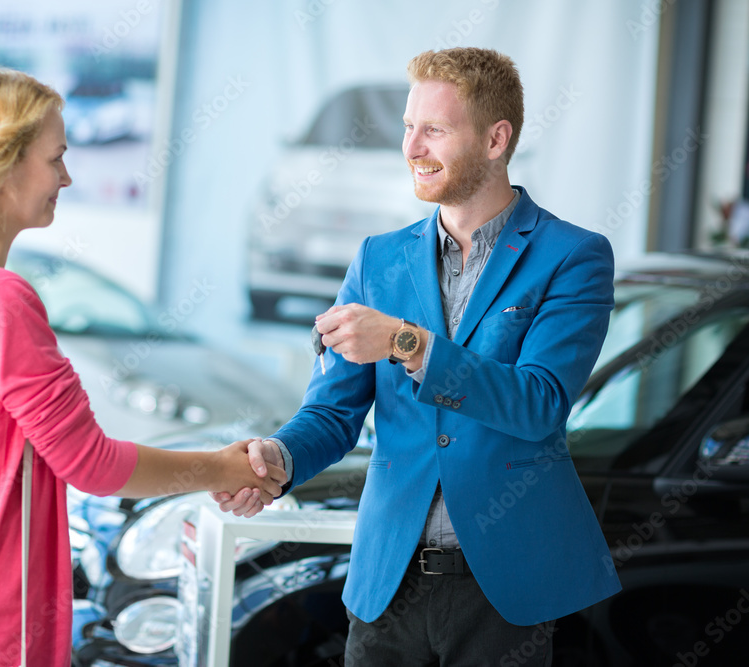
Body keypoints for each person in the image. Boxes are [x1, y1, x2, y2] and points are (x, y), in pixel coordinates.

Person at [214, 47, 621, 666]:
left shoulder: (572, 256)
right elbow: (332, 411)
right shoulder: (378, 259)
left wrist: (409, 344)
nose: (411, 148)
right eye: (408, 128)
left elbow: (538, 404)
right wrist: (282, 456)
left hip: (503, 591)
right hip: (387, 585)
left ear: (495, 139)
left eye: (433, 130)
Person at [0, 66, 284, 666]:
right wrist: (222, 466)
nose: (66, 177)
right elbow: (91, 463)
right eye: (56, 158)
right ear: (4, 160)